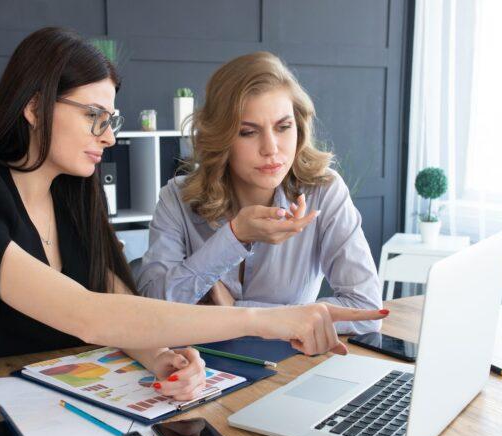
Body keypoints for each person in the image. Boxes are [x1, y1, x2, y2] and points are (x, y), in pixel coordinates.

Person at [0, 29, 388, 402]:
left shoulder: (72, 197)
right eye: (94, 116)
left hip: (53, 394)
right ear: (34, 108)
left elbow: (122, 306)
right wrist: (269, 321)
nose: (109, 136)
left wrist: (164, 359)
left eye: (110, 120)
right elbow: (91, 317)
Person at [137, 52, 383, 334]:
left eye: (283, 127)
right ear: (221, 138)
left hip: (291, 364)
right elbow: (150, 311)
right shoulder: (176, 199)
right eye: (248, 132)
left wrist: (237, 313)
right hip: (196, 367)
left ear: (299, 128)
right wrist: (233, 237)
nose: (271, 148)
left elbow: (366, 310)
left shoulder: (324, 192)